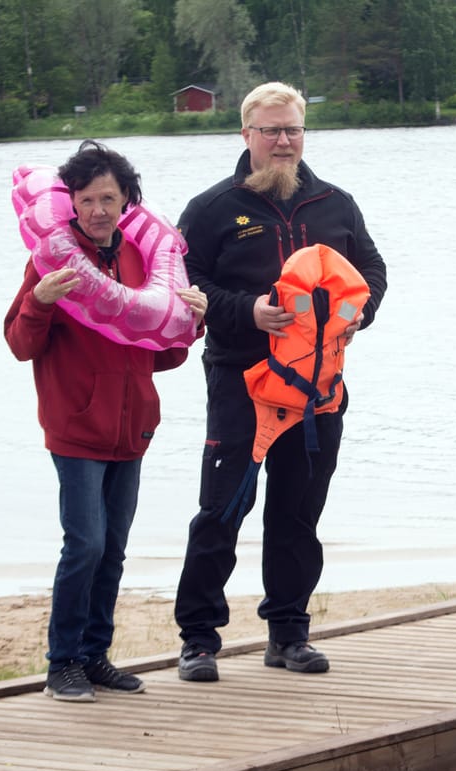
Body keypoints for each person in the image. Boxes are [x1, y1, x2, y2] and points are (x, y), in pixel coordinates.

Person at [173, 81, 387, 683]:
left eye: (293, 129)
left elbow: (371, 270)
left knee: (297, 514)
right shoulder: (213, 208)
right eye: (271, 131)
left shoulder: (335, 204)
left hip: (319, 387)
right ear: (247, 134)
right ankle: (198, 640)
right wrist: (247, 311)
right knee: (222, 509)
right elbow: (184, 280)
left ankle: (289, 634)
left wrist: (359, 314)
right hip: (241, 380)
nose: (284, 141)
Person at [5, 140, 207, 703]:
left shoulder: (145, 262)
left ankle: (95, 657)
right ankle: (62, 664)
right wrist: (39, 300)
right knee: (85, 546)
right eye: (87, 199)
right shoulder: (50, 261)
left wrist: (193, 324)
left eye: (108, 199)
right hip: (75, 427)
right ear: (71, 202)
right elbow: (20, 344)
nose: (97, 210)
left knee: (113, 548)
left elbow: (160, 356)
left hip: (132, 429)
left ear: (126, 203)